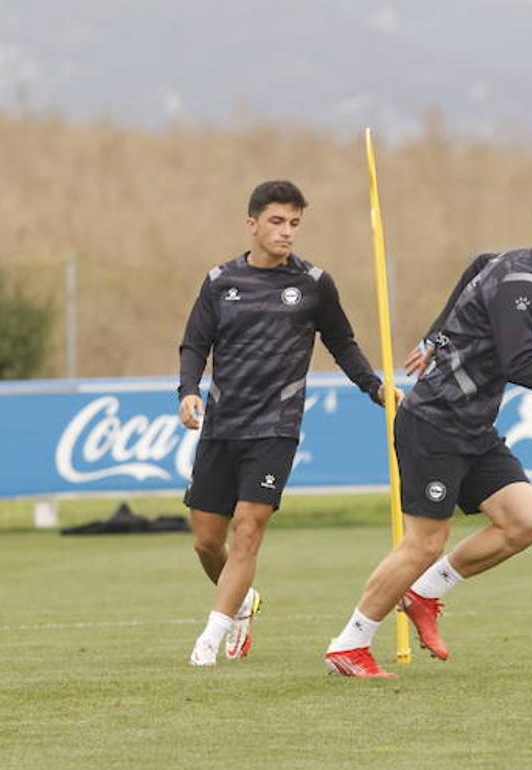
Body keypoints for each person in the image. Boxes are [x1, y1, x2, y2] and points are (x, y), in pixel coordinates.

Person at [324, 186, 532, 677]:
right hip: (434, 424)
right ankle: (350, 643)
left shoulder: (515, 265)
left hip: (473, 429)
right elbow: (521, 365)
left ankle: (425, 593)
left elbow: (476, 264)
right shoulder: (524, 286)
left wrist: (435, 335)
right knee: (423, 544)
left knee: (522, 521)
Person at [179, 180, 394, 667]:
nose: (286, 232)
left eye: (295, 223)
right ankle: (244, 602)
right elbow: (195, 344)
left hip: (276, 426)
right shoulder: (219, 281)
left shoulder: (315, 284)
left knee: (248, 528)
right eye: (277, 222)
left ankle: (210, 638)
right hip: (221, 425)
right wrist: (188, 390)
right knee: (207, 541)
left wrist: (375, 388)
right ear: (252, 224)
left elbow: (342, 345)